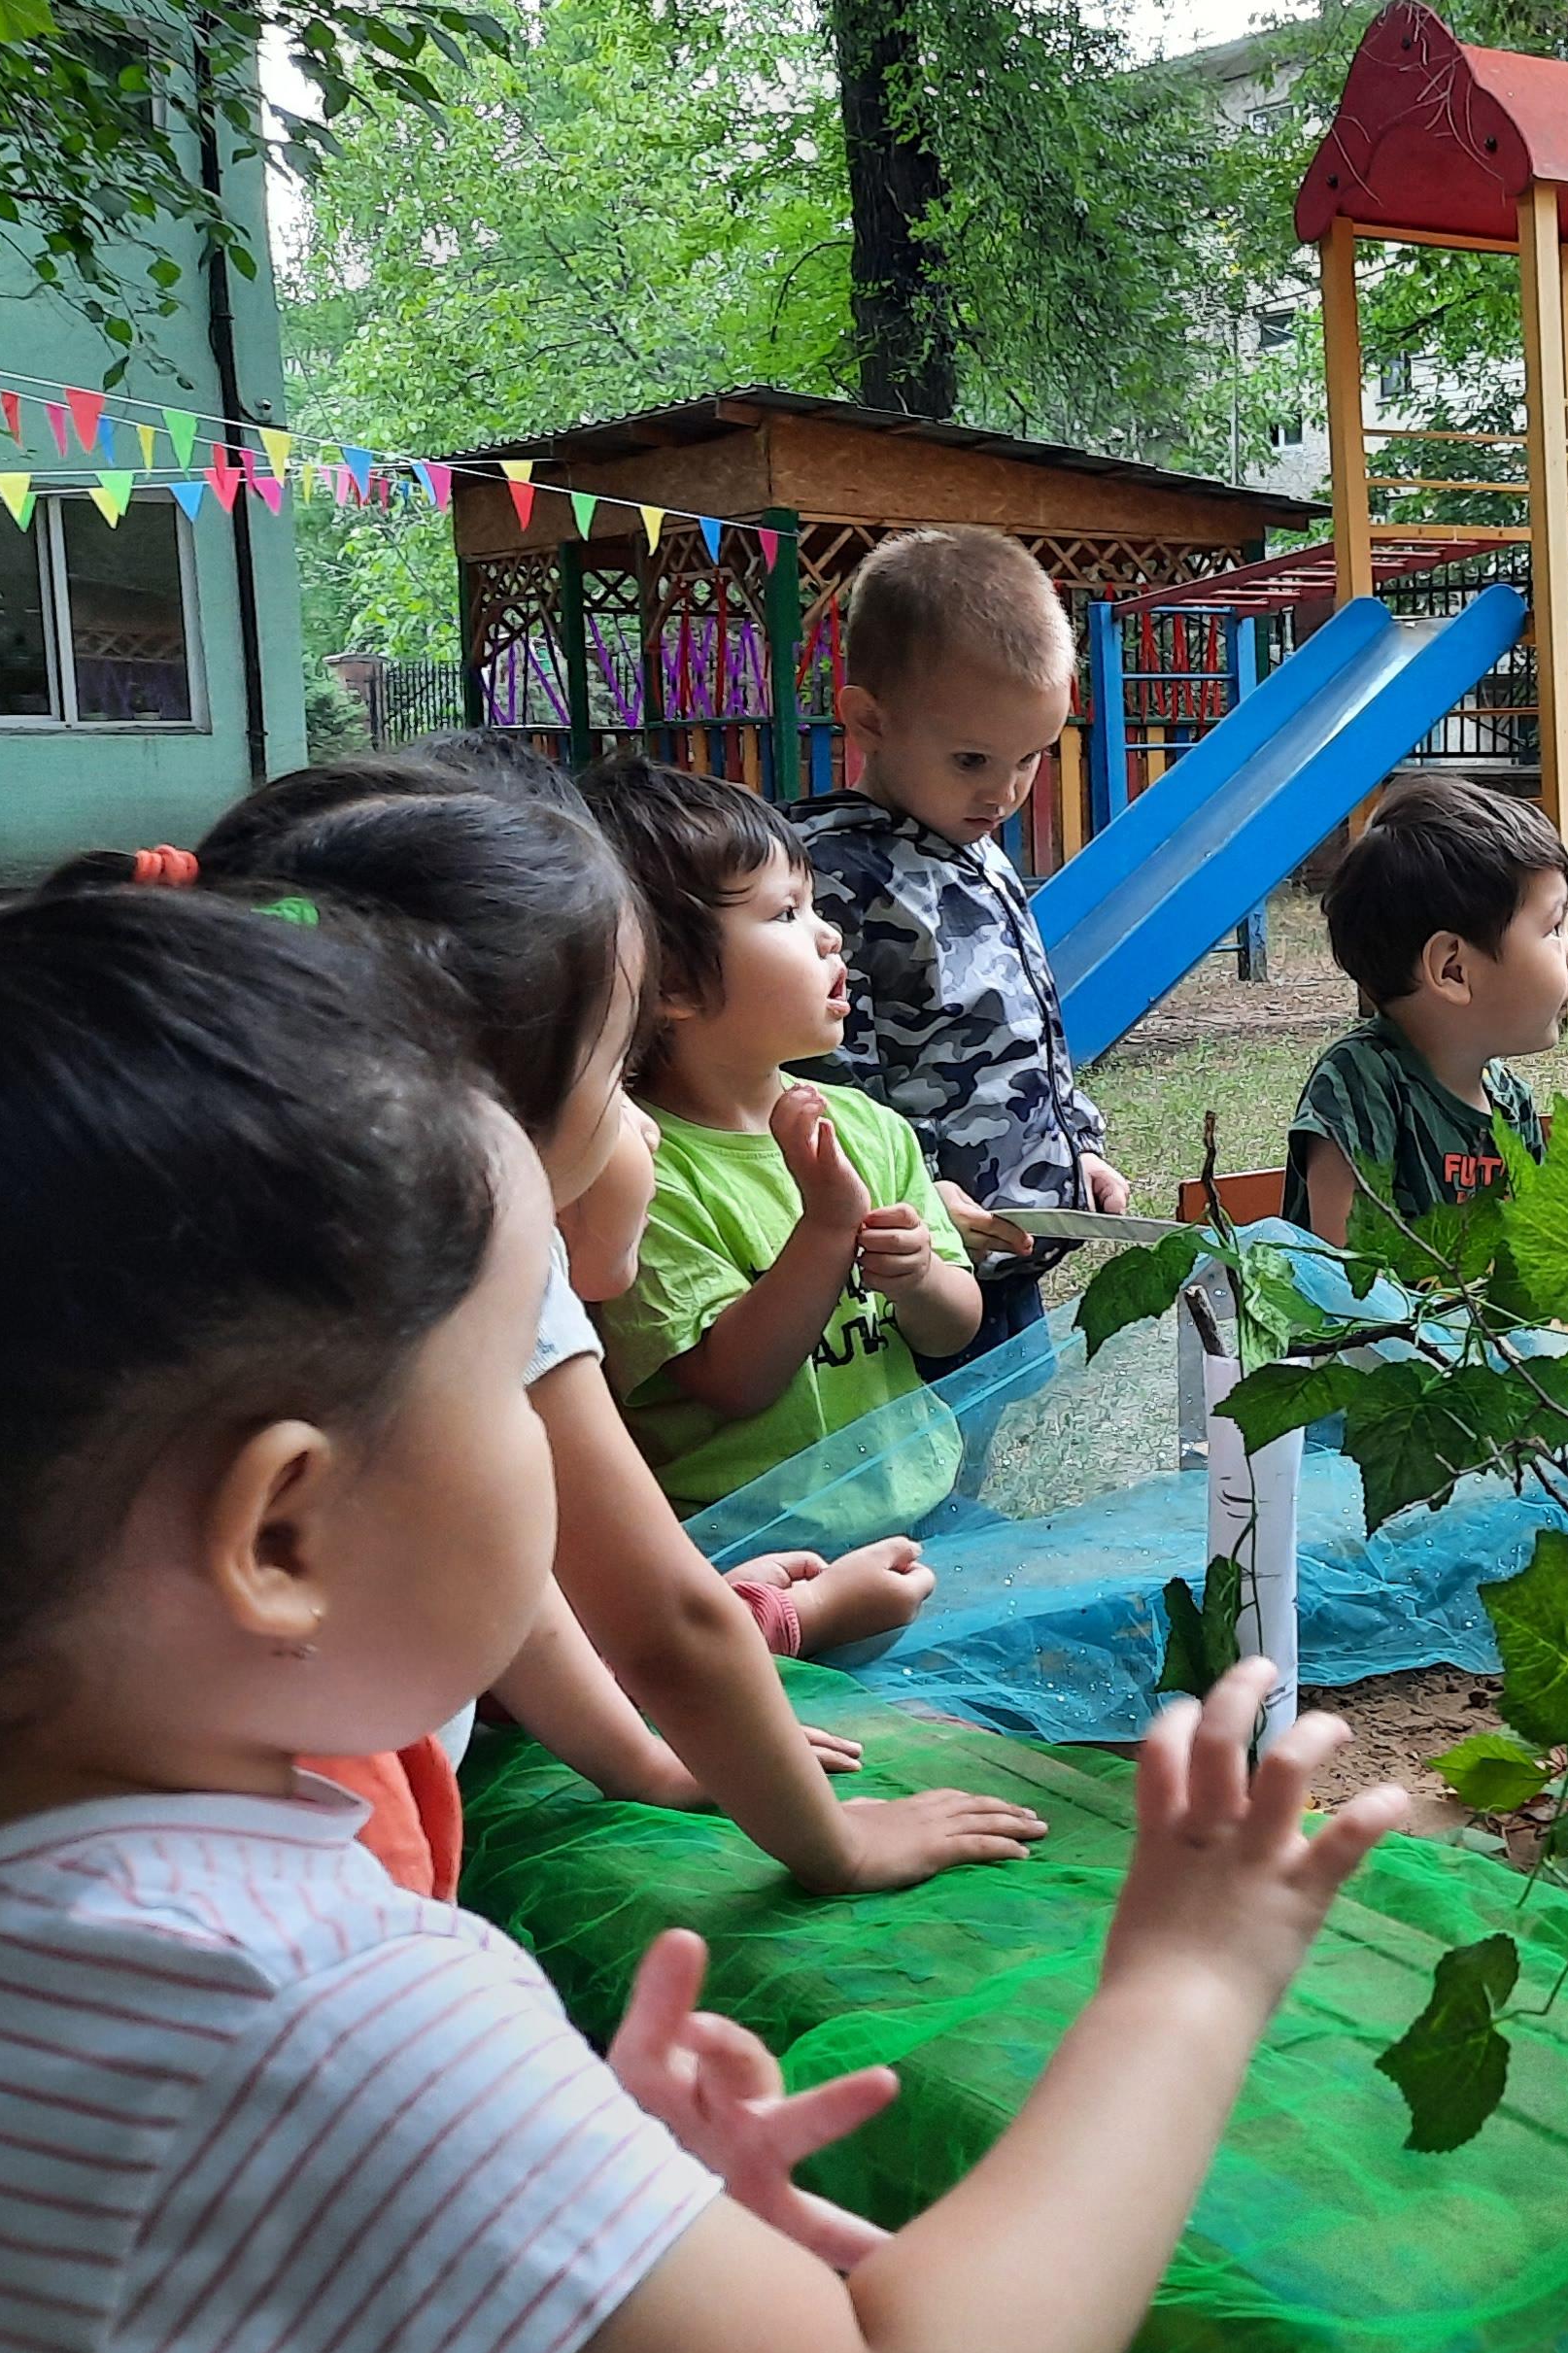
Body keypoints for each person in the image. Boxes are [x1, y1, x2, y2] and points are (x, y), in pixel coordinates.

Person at [0, 886, 1406, 2353]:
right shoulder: (311, 2012)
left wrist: (565, 2215)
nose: (561, 1442)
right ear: (281, 1534)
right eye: (521, 1367)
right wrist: (1188, 1985)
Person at [203, 774, 1038, 1896]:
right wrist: (834, 1842)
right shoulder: (484, 1267)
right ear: (483, 1100)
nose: (638, 1111)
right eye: (613, 1067)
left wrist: (645, 1758)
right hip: (321, 1837)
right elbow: (661, 1623)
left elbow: (526, 1587)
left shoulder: (298, 1241)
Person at [588, 758, 988, 1515]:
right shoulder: (639, 1169)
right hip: (764, 1557)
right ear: (670, 982)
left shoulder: (868, 1127)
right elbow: (733, 1383)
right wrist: (829, 1226)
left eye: (812, 907)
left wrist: (920, 1280)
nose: (830, 934)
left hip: (928, 1504)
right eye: (784, 915)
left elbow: (951, 1330)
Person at [792, 529, 1125, 1358]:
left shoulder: (972, 845)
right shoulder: (830, 873)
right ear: (869, 719)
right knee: (925, 1474)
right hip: (914, 1273)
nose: (1004, 791)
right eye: (973, 758)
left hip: (1013, 1254)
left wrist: (1075, 1148)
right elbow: (821, 1087)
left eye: (1030, 758)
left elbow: (1030, 1030)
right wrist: (902, 1193)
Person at [1288, 778, 1568, 1246]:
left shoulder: (1512, 1102)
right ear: (1453, 969)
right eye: (1553, 928)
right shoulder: (1361, 1084)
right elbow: (1348, 1276)